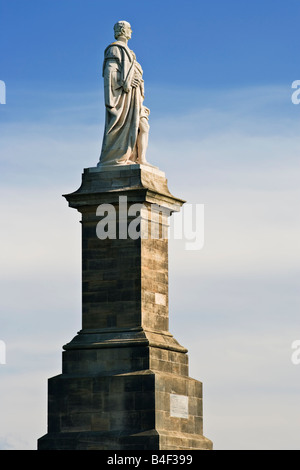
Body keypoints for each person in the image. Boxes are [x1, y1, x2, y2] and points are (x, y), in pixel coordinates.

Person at [98, 21, 150, 166]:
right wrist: (125, 83)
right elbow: (110, 75)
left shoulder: (130, 53)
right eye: (129, 29)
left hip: (135, 98)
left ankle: (141, 159)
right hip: (123, 98)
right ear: (123, 30)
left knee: (144, 126)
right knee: (134, 127)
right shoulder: (114, 50)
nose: (131, 31)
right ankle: (121, 157)